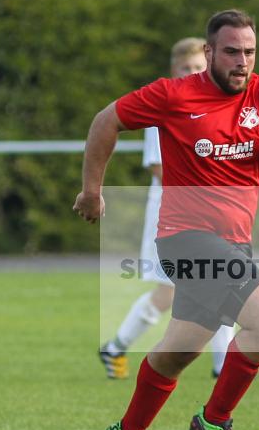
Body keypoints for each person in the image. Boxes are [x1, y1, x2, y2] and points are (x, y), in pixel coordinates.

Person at [74, 9, 259, 430]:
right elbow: (105, 121)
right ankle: (215, 423)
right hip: (184, 239)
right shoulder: (173, 95)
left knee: (180, 351)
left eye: (250, 52)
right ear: (209, 52)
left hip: (233, 244)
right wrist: (92, 191)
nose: (242, 62)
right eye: (232, 52)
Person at [98, 37, 234, 380]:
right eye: (186, 68)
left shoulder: (219, 108)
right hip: (171, 217)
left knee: (218, 283)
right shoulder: (167, 107)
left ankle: (222, 365)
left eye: (198, 68)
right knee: (171, 291)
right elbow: (159, 167)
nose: (193, 73)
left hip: (208, 216)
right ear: (174, 72)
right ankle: (116, 346)